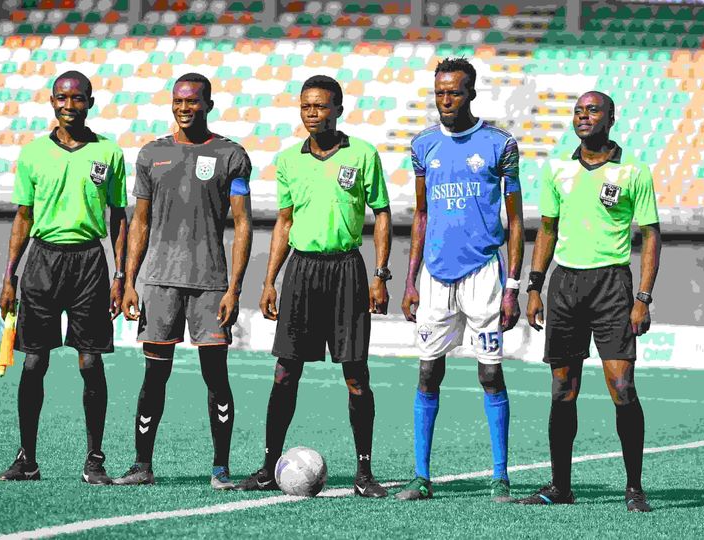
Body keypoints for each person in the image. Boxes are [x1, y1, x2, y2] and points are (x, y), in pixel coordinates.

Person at [235, 75, 392, 498]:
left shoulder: (363, 154)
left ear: (338, 109)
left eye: (320, 106)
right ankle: (268, 467)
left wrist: (380, 274)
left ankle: (364, 473)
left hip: (347, 271)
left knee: (356, 376)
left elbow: (381, 214)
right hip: (302, 272)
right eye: (305, 106)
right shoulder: (288, 160)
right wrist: (269, 280)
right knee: (285, 373)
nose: (311, 114)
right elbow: (283, 222)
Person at [517, 91, 661, 512]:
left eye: (592, 110)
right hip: (565, 285)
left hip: (613, 286)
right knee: (563, 389)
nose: (583, 117)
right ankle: (561, 487)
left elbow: (651, 234)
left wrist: (643, 297)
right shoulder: (557, 169)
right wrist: (534, 286)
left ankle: (634, 488)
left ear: (611, 118)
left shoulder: (633, 171)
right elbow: (546, 228)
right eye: (578, 111)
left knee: (621, 386)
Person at [113, 73, 253, 490]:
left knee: (217, 377)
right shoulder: (151, 154)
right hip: (158, 282)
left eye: (193, 101)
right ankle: (142, 466)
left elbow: (243, 224)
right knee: (154, 376)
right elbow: (139, 221)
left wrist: (234, 287)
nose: (184, 107)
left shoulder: (231, 155)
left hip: (210, 284)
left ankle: (221, 470)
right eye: (178, 101)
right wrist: (129, 280)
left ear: (209, 104)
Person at [395, 58, 524, 503]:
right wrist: (410, 280)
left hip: (484, 274)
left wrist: (513, 286)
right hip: (434, 275)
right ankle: (421, 477)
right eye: (439, 93)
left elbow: (516, 221)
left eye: (454, 92)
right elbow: (422, 215)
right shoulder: (422, 145)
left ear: (471, 93)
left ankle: (501, 476)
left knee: (490, 376)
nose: (445, 100)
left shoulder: (500, 144)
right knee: (428, 372)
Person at [0, 70, 128, 485]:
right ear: (51, 101)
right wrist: (9, 277)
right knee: (34, 362)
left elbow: (119, 218)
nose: (69, 106)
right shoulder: (34, 153)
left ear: (91, 102)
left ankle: (94, 460)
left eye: (77, 99)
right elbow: (23, 216)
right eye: (62, 98)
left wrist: (120, 274)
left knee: (91, 363)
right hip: (42, 261)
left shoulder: (109, 153)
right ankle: (27, 460)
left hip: (90, 261)